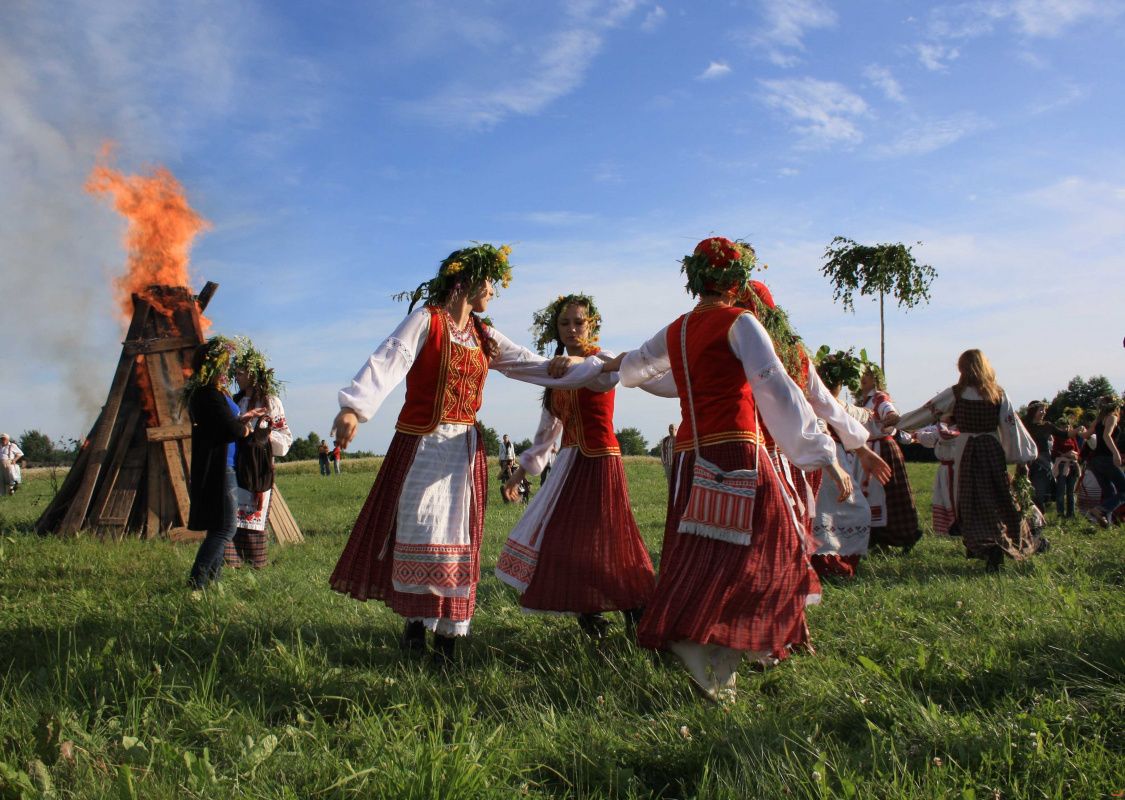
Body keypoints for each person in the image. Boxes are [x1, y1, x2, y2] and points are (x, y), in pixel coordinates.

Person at [327, 244, 606, 662]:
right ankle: (416, 624)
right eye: (489, 282)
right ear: (468, 281)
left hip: (463, 448)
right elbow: (391, 358)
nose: (492, 291)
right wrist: (354, 408)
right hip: (423, 443)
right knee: (420, 529)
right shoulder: (428, 320)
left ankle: (446, 639)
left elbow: (524, 363)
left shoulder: (482, 333)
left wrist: (582, 368)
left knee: (456, 538)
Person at [612, 237, 851, 701]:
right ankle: (719, 645)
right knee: (774, 544)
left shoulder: (678, 329)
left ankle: (719, 652)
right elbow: (776, 387)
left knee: (702, 552)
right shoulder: (741, 322)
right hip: (737, 450)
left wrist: (605, 365)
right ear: (734, 280)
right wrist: (824, 453)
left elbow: (634, 370)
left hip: (689, 456)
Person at [495, 293, 656, 639]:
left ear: (592, 324)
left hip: (600, 459)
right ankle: (588, 611)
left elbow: (600, 375)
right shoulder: (554, 373)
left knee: (610, 535)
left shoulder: (603, 359)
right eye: (564, 323)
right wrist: (518, 474)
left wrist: (569, 366)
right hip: (569, 463)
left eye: (579, 322)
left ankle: (636, 608)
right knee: (566, 538)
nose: (571, 329)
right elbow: (547, 433)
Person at [898, 349, 1044, 572]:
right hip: (992, 450)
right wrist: (1020, 456)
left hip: (967, 451)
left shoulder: (957, 393)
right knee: (999, 496)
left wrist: (898, 423)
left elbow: (927, 412)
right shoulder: (997, 393)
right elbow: (1010, 427)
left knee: (971, 499)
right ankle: (1002, 539)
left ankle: (986, 544)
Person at [184, 337, 267, 590]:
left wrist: (244, 418)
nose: (227, 370)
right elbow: (227, 428)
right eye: (224, 365)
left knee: (219, 527)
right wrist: (244, 430)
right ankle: (196, 583)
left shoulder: (217, 393)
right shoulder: (207, 394)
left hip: (227, 464)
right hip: (220, 468)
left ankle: (212, 582)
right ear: (214, 365)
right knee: (226, 528)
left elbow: (226, 423)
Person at [224, 341, 292, 570]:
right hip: (236, 465)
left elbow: (285, 439)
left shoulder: (271, 402)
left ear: (253, 375)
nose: (237, 376)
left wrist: (262, 435)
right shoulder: (234, 401)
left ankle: (256, 567)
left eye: (241, 372)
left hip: (258, 468)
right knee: (232, 518)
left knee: (253, 520)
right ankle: (232, 566)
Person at [855, 365, 922, 553]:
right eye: (861, 375)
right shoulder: (862, 401)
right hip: (868, 449)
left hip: (882, 449)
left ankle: (901, 536)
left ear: (875, 378)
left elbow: (890, 413)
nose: (863, 379)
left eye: (866, 375)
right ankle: (879, 540)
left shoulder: (879, 398)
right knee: (872, 495)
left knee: (886, 495)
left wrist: (889, 419)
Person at [911, 419, 961, 535]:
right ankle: (950, 526)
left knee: (951, 498)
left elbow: (934, 437)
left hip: (953, 469)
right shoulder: (947, 427)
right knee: (944, 497)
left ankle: (956, 524)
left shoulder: (952, 429)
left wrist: (916, 434)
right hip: (946, 469)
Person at [1022, 401, 1074, 512]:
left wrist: (1078, 431)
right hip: (1026, 461)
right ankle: (1030, 519)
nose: (1043, 412)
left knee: (1038, 493)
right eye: (1041, 410)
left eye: (1044, 410)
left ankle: (1039, 520)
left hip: (1042, 463)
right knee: (1025, 491)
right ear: (1033, 411)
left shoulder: (1047, 426)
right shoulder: (1023, 425)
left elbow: (1064, 435)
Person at [1082, 395, 1125, 528]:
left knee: (1110, 492)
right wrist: (1116, 453)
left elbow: (1085, 435)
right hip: (1106, 459)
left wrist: (1080, 430)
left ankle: (1106, 524)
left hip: (1095, 461)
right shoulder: (1112, 417)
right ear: (1115, 405)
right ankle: (1100, 510)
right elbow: (1107, 436)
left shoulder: (1099, 419)